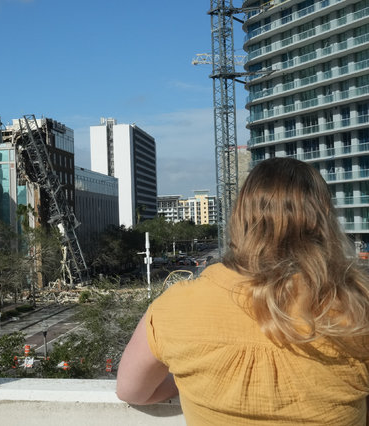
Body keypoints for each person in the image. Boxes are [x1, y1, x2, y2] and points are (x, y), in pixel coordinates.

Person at [117, 157, 369, 425]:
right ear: (325, 220)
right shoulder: (358, 305)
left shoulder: (177, 306)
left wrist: (189, 376)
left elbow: (131, 390)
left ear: (239, 219)